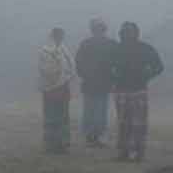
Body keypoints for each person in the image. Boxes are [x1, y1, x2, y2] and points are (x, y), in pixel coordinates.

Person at [110, 21, 164, 162]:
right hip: (121, 91)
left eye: (130, 31)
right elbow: (107, 67)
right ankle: (123, 152)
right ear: (121, 34)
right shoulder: (116, 49)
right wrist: (113, 77)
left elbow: (159, 66)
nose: (127, 34)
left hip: (139, 91)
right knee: (123, 123)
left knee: (139, 124)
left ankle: (139, 152)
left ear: (136, 33)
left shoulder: (145, 48)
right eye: (125, 32)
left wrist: (146, 76)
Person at [75, 18, 117, 148]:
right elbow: (117, 63)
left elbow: (78, 63)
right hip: (103, 82)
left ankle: (90, 136)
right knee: (100, 110)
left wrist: (85, 75)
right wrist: (113, 79)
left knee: (90, 110)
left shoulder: (85, 43)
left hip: (90, 82)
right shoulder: (111, 44)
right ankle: (98, 136)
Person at [37, 27, 75, 154]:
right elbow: (45, 69)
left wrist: (66, 77)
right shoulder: (45, 50)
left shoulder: (64, 50)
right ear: (53, 35)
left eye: (61, 35)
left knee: (63, 116)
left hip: (63, 88)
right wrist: (58, 76)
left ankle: (62, 143)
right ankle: (51, 144)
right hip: (51, 89)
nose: (60, 37)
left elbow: (71, 67)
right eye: (57, 35)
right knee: (51, 116)